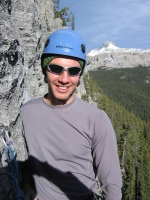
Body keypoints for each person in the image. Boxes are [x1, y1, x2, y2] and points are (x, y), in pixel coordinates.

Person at [21, 29, 122, 200]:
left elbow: (111, 185)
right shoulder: (26, 113)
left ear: (80, 74)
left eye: (74, 71)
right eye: (56, 68)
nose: (64, 79)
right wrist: (26, 185)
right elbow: (25, 162)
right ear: (45, 69)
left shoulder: (96, 119)